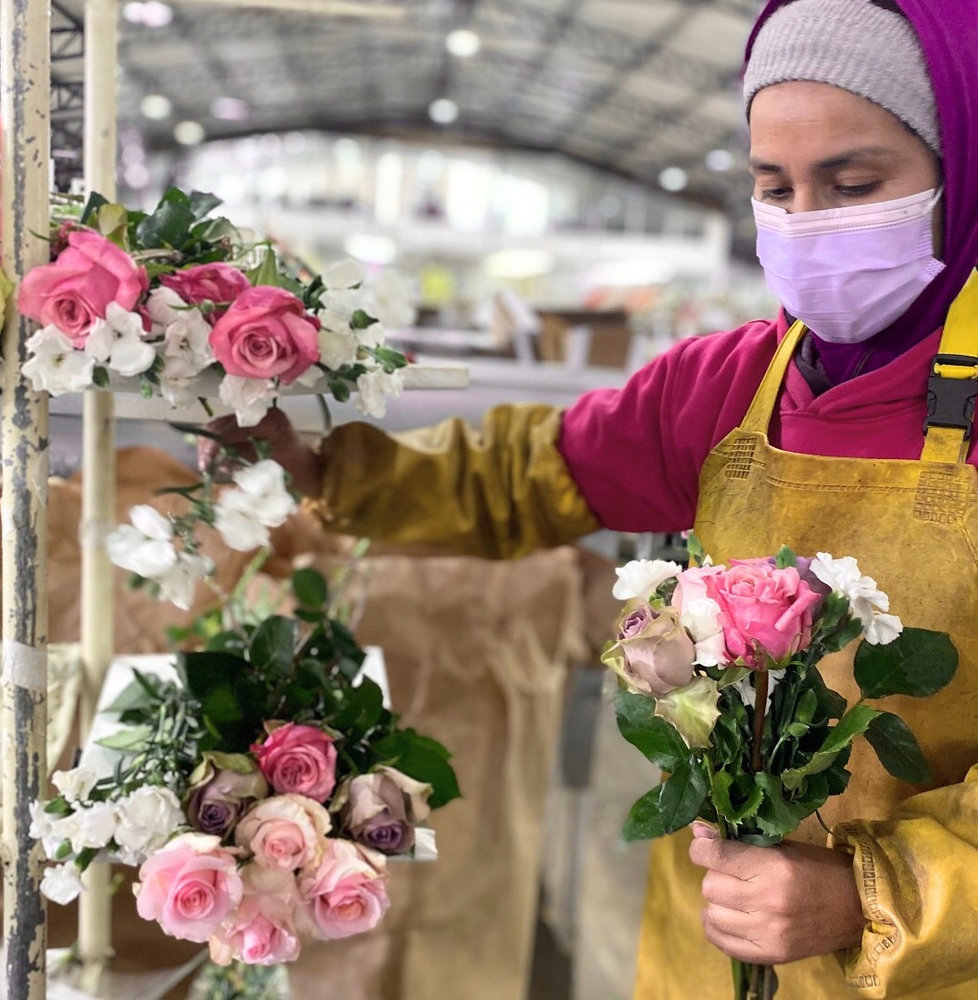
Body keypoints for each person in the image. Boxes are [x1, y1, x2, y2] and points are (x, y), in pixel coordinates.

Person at [202, 1, 978, 996]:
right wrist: (323, 469)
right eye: (771, 186)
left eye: (853, 183)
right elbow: (518, 478)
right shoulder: (730, 386)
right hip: (709, 946)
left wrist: (872, 895)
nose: (804, 222)